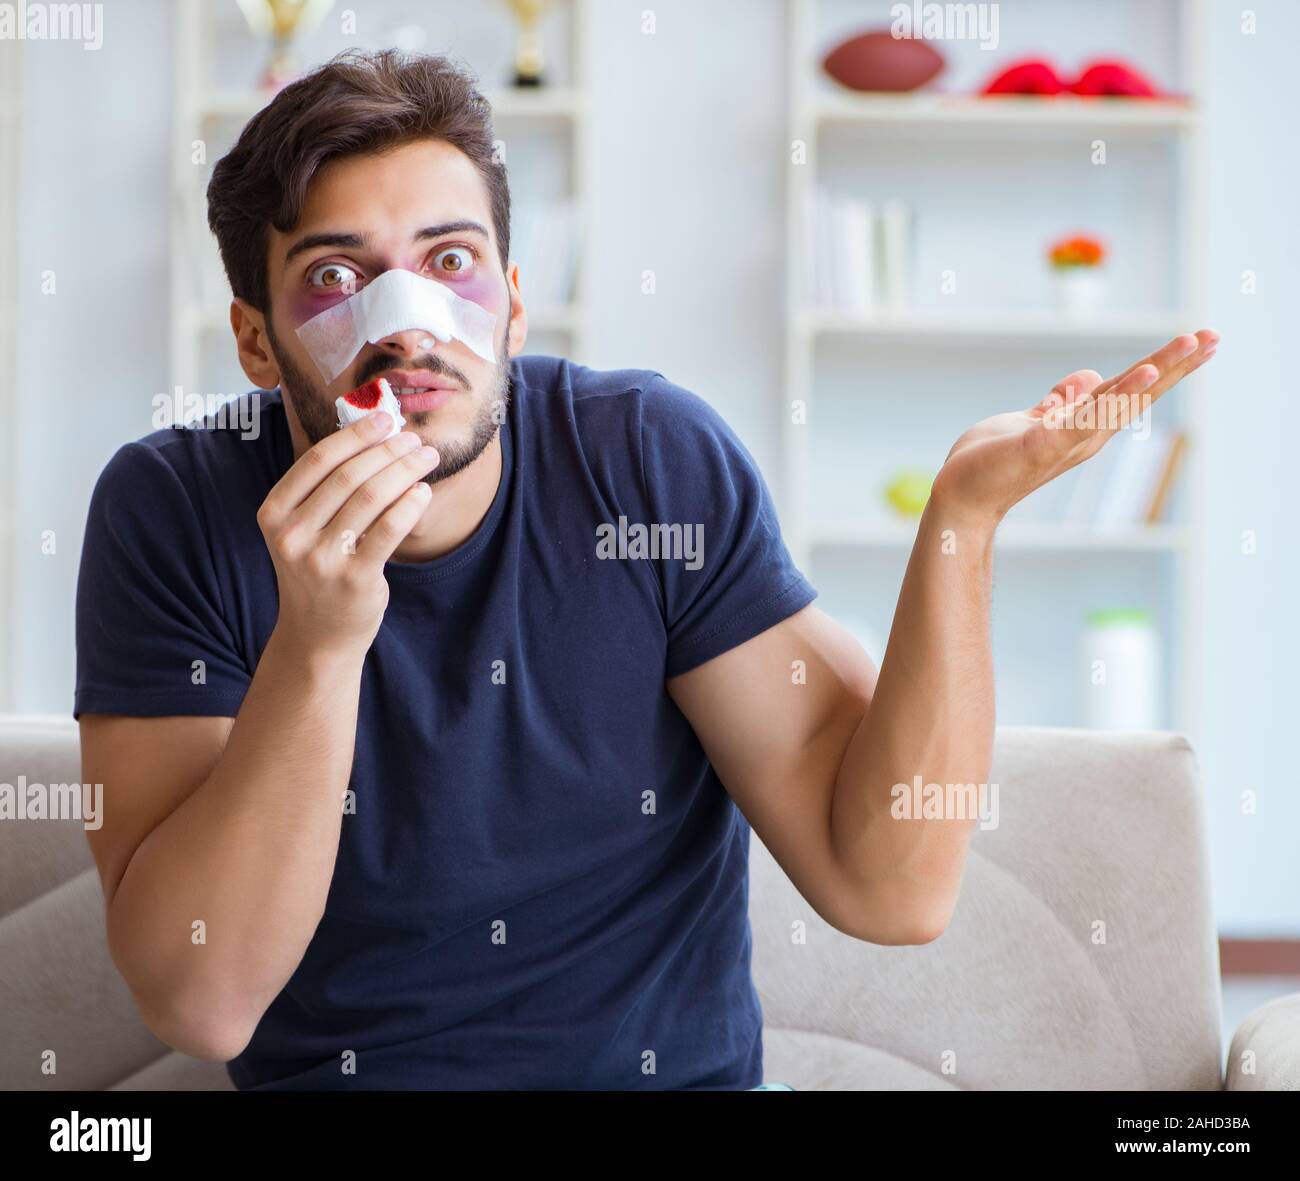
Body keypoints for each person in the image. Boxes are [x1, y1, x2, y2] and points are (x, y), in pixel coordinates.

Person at [74, 49, 1218, 1091]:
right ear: (257, 340)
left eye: (452, 262)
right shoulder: (171, 506)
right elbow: (203, 999)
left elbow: (893, 886)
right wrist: (319, 645)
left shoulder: (646, 460)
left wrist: (964, 517)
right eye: (335, 277)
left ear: (515, 305)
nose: (407, 325)